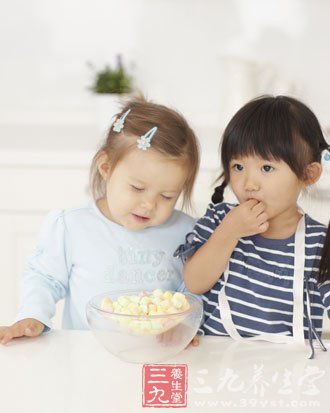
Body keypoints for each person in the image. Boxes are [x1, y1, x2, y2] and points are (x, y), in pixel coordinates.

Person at [0, 97, 200, 345]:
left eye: (167, 196)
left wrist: (185, 323)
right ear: (106, 167)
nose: (149, 204)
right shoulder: (73, 227)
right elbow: (45, 278)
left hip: (158, 357)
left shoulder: (186, 232)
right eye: (137, 188)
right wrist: (33, 316)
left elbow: (194, 289)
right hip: (88, 358)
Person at [175, 95, 330, 358]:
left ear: (308, 174)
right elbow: (194, 282)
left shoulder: (320, 242)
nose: (248, 183)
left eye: (266, 168)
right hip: (216, 363)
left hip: (286, 373)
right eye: (238, 166)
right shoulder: (218, 220)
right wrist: (229, 232)